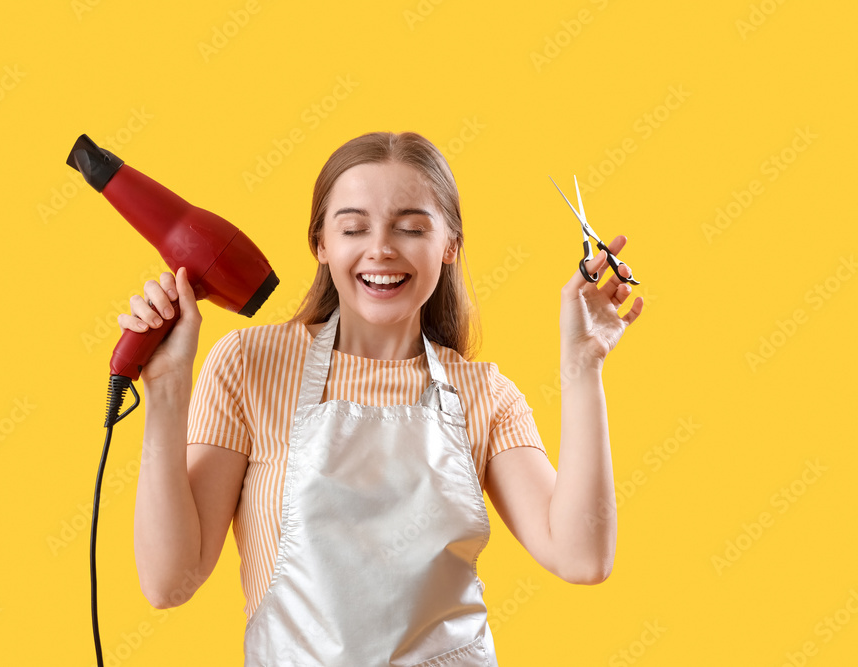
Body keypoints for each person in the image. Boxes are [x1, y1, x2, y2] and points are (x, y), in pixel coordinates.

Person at [122, 131, 643, 665]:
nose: (381, 249)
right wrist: (165, 393)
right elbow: (169, 583)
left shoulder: (485, 395)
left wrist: (583, 367)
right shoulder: (250, 366)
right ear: (321, 244)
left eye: (412, 228)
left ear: (450, 246)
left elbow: (582, 557)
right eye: (353, 228)